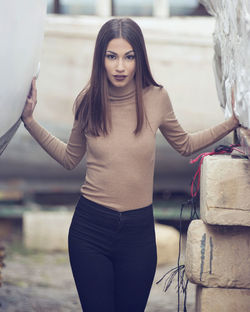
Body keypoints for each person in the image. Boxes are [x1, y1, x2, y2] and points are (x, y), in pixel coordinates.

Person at [21, 18, 239, 312]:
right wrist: (30, 121)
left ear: (139, 58)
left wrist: (231, 123)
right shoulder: (87, 102)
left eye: (129, 56)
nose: (120, 66)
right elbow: (69, 159)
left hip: (138, 235)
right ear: (101, 58)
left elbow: (185, 144)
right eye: (112, 56)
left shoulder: (156, 98)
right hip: (90, 231)